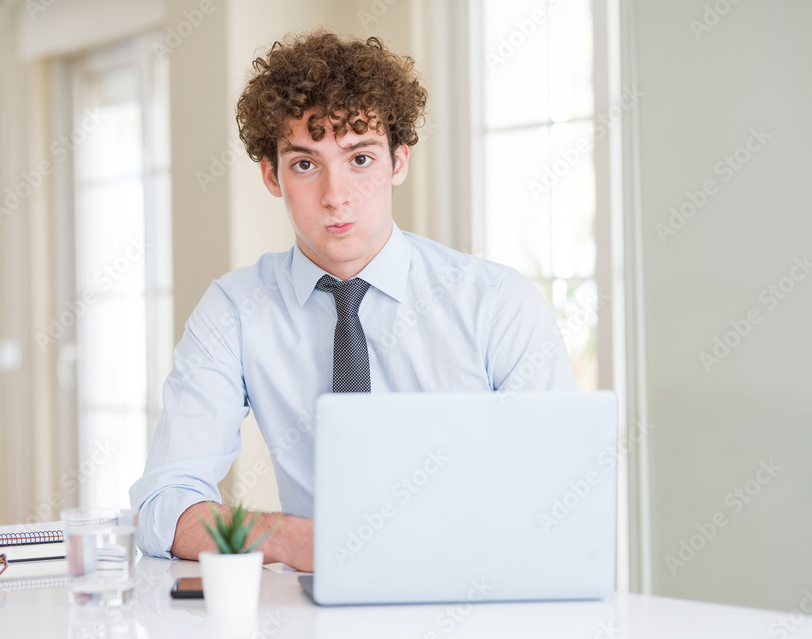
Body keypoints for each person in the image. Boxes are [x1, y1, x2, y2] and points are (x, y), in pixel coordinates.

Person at [129, 30, 575, 573]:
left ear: (398, 162)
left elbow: (562, 495)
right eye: (305, 164)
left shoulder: (497, 304)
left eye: (360, 159)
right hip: (313, 621)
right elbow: (163, 504)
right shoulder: (235, 311)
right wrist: (290, 539)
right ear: (271, 175)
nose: (335, 195)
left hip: (477, 601)